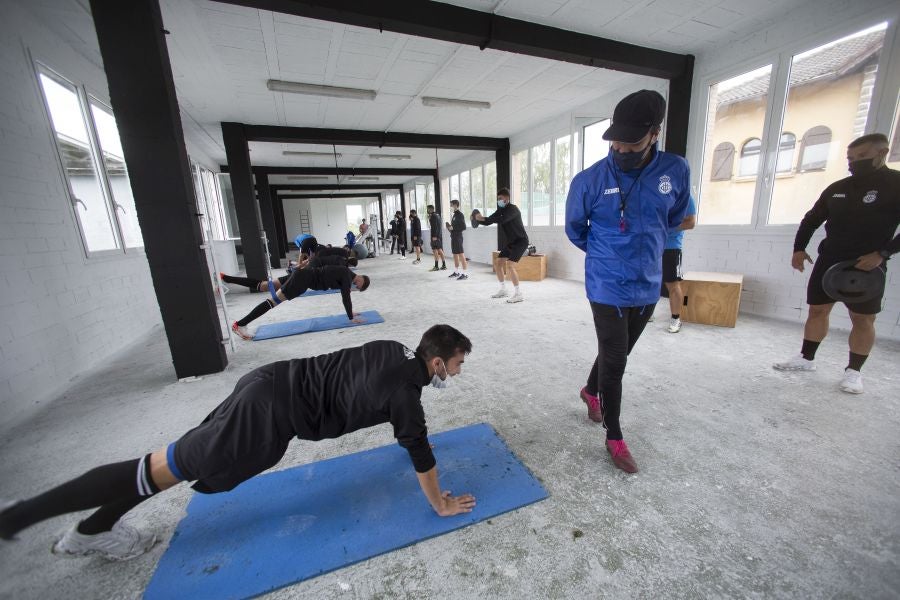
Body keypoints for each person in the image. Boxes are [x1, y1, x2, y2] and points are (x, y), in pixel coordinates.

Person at [0, 325, 477, 560]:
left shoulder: (395, 348)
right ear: (435, 362)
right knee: (164, 465)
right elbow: (419, 450)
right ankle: (19, 515)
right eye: (456, 363)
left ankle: (92, 530)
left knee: (172, 465)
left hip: (269, 381)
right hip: (267, 415)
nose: (458, 371)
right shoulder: (406, 396)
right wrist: (439, 504)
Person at [565, 89, 690, 473]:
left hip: (647, 283)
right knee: (616, 361)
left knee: (616, 353)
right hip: (605, 284)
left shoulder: (675, 170)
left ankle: (590, 390)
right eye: (615, 138)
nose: (620, 147)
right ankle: (614, 436)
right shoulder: (589, 180)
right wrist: (609, 254)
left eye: (631, 141)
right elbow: (575, 229)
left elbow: (677, 218)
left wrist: (643, 249)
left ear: (655, 133)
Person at [773, 133, 899, 394]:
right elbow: (811, 220)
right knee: (817, 311)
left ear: (882, 153)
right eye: (850, 158)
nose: (854, 162)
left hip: (867, 265)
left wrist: (883, 254)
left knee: (863, 319)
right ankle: (806, 359)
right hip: (829, 261)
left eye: (861, 157)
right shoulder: (838, 188)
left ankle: (853, 372)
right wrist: (799, 249)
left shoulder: (895, 185)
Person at [231, 265, 370, 340]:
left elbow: (342, 290)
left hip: (301, 274)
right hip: (302, 281)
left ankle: (228, 281)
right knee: (272, 302)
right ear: (361, 280)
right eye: (358, 286)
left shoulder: (345, 272)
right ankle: (240, 324)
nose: (355, 287)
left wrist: (350, 311)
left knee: (267, 291)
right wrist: (351, 318)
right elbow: (346, 297)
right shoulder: (347, 276)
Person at [474, 188, 529, 302]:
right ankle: (503, 290)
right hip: (511, 242)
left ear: (507, 198)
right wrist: (479, 219)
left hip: (521, 241)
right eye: (497, 199)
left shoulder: (513, 209)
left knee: (510, 265)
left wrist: (484, 218)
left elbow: (503, 220)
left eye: (500, 198)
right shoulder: (500, 210)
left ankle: (519, 294)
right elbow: (489, 221)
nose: (498, 200)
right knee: (498, 263)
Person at [660, 195, 697, 333]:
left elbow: (691, 222)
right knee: (650, 281)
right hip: (651, 245)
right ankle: (647, 313)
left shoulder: (684, 197)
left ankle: (676, 319)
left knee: (673, 284)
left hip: (671, 246)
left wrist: (663, 228)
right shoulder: (655, 193)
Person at [446, 199, 469, 280]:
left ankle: (465, 274)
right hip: (454, 237)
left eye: (451, 205)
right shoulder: (454, 215)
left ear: (455, 205)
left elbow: (464, 227)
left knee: (461, 254)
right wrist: (450, 228)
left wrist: (453, 227)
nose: (450, 206)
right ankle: (456, 272)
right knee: (455, 254)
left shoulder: (460, 215)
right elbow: (454, 227)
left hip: (458, 237)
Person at [426, 205, 447, 271]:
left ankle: (437, 266)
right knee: (439, 250)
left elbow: (435, 227)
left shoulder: (433, 216)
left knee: (436, 250)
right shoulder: (437, 215)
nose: (427, 210)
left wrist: (434, 236)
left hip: (435, 236)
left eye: (428, 209)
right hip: (438, 236)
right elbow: (437, 226)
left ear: (430, 209)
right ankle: (443, 265)